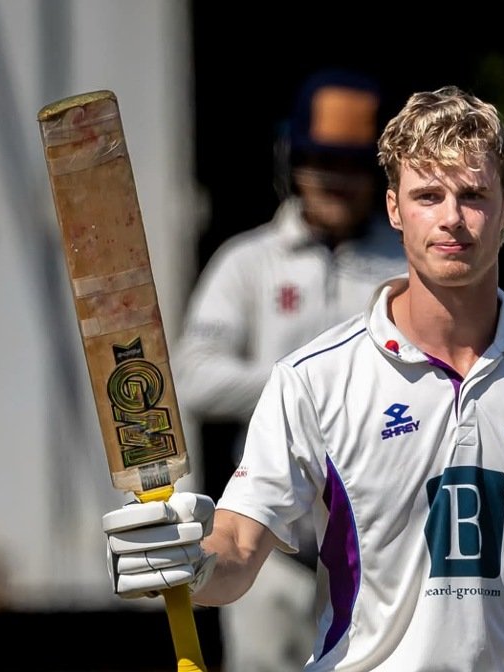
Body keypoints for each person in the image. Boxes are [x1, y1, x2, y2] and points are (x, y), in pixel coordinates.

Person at [105, 84, 504, 671]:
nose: (452, 218)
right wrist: (190, 561)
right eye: (428, 195)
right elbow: (240, 545)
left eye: (474, 194)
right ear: (396, 208)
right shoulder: (310, 377)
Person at [171, 68, 406, 672]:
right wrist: (303, 384)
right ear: (291, 159)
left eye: (353, 163)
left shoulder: (405, 263)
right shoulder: (247, 261)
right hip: (267, 548)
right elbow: (193, 377)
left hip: (382, 550)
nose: (335, 178)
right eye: (320, 159)